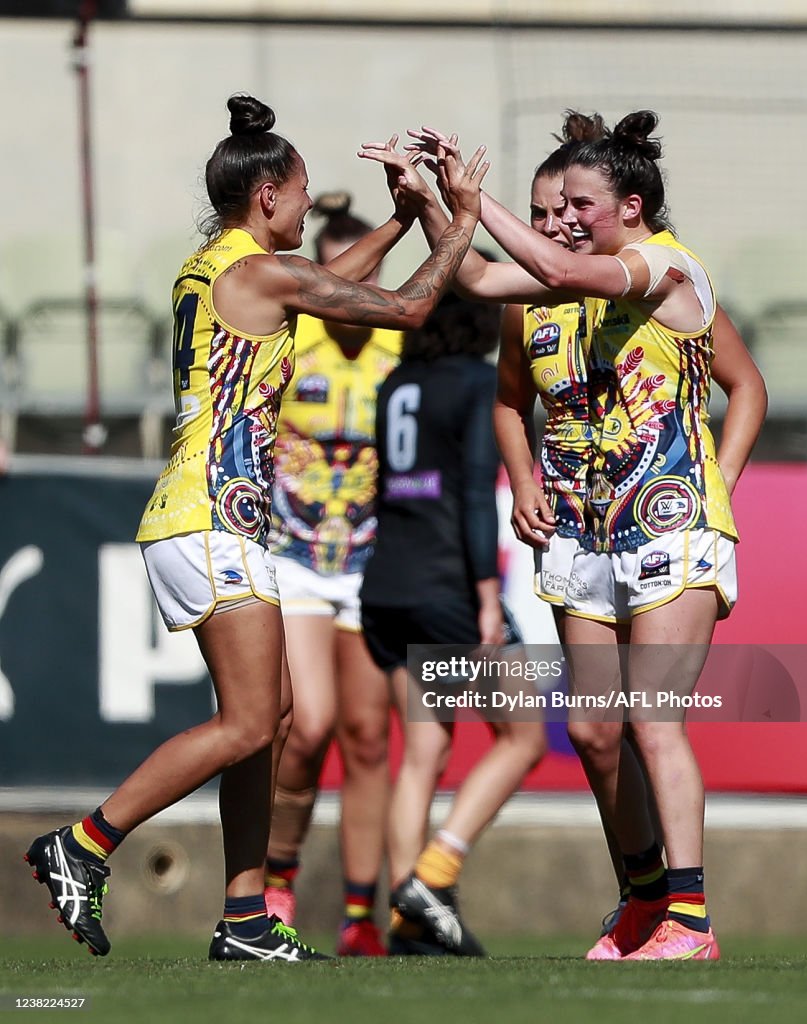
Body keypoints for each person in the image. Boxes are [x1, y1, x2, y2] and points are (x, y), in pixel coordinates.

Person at [23, 93, 487, 962]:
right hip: (210, 519)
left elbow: (332, 282)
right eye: (304, 192)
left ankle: (244, 919)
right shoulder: (261, 273)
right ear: (268, 193)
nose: (311, 206)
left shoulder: (217, 266)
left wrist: (392, 222)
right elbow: (408, 308)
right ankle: (84, 844)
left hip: (199, 516)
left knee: (268, 716)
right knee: (248, 724)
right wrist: (453, 220)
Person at [413, 111, 766, 960]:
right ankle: (642, 900)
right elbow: (478, 285)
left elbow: (743, 386)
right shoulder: (548, 294)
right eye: (550, 207)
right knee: (598, 729)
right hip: (579, 529)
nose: (559, 220)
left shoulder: (664, 264)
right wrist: (430, 200)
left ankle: (689, 920)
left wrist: (716, 481)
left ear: (630, 208)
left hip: (666, 521)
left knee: (652, 717)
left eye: (575, 204)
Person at [359, 288, 546, 957]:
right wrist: (488, 595)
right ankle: (432, 880)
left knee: (423, 756)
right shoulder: (474, 382)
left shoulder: (394, 383)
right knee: (523, 737)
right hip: (448, 590)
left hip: (386, 587)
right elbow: (473, 493)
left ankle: (406, 922)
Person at [264, 191, 402, 957]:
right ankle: (276, 878)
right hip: (296, 555)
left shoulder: (398, 348)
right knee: (306, 723)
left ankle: (359, 914)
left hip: (374, 562)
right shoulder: (293, 340)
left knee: (367, 736)